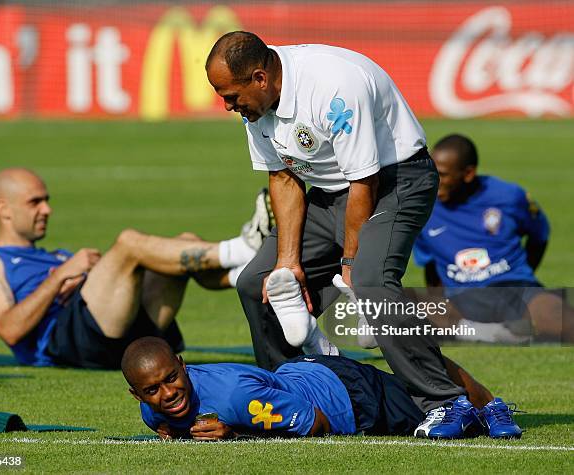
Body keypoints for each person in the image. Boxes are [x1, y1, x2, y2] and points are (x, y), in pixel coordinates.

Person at [205, 31, 473, 428]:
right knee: (257, 283)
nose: (226, 106)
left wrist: (349, 261)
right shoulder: (257, 106)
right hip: (330, 195)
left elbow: (364, 182)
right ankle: (294, 394)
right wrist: (288, 262)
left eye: (230, 96)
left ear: (260, 78)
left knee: (369, 279)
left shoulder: (335, 85)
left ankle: (446, 402)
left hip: (396, 182)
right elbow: (282, 178)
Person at [0, 168, 272, 369]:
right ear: (4, 209)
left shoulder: (57, 255)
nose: (47, 209)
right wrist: (61, 277)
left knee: (185, 243)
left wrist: (83, 275)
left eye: (46, 200)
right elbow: (9, 329)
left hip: (119, 337)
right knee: (128, 243)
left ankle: (247, 272)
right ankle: (244, 248)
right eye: (35, 202)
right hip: (67, 345)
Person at [121, 337, 522, 440]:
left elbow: (317, 425)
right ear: (137, 397)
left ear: (183, 366)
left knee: (441, 412)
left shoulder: (234, 398)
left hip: (349, 396)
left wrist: (235, 434)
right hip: (303, 373)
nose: (168, 393)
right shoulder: (152, 412)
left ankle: (490, 404)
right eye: (152, 390)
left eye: (172, 378)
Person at [413, 134, 573, 343]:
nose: (434, 181)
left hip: (516, 290)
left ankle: (491, 331)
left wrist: (525, 274)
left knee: (556, 314)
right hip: (461, 298)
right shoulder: (421, 207)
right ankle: (488, 333)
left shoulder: (509, 196)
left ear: (468, 173)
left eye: (442, 175)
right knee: (410, 310)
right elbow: (431, 266)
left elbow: (539, 236)